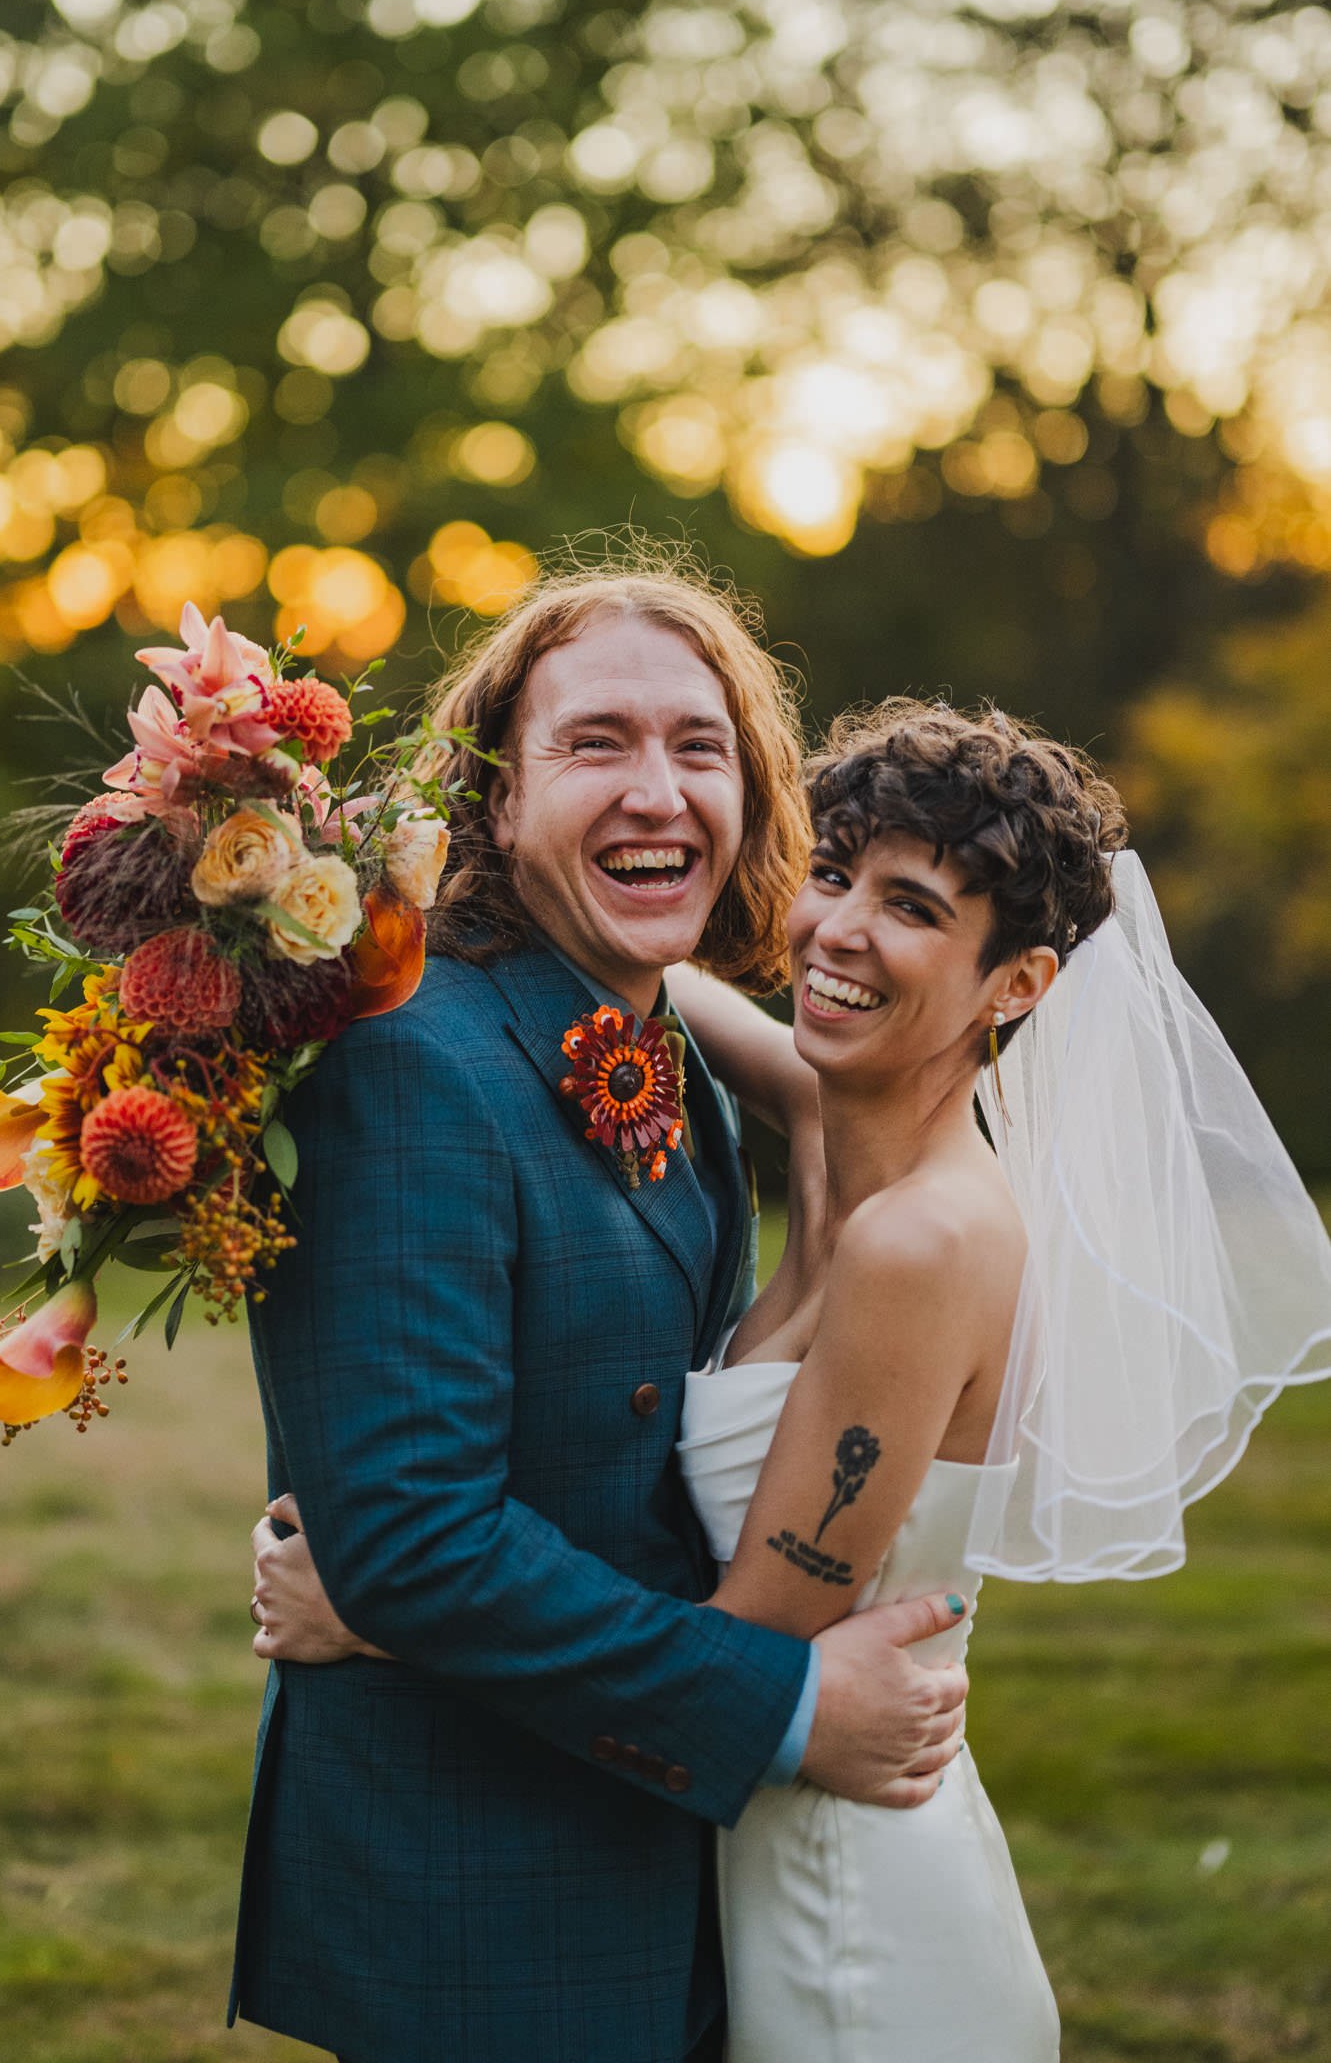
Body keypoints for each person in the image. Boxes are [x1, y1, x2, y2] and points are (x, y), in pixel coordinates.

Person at [231, 579, 971, 2063]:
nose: (660, 789)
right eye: (598, 744)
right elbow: (418, 1539)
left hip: (659, 1862)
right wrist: (782, 1706)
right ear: (496, 804)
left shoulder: (662, 1042)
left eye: (701, 746)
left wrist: (374, 1616)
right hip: (486, 1913)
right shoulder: (409, 1063)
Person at [663, 697, 1331, 2059]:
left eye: (910, 906)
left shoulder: (922, 1240)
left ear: (1017, 985)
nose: (837, 931)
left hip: (853, 1935)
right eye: (833, 875)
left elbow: (743, 1652)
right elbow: (650, 975)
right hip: (800, 1868)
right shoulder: (835, 1123)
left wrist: (395, 1608)